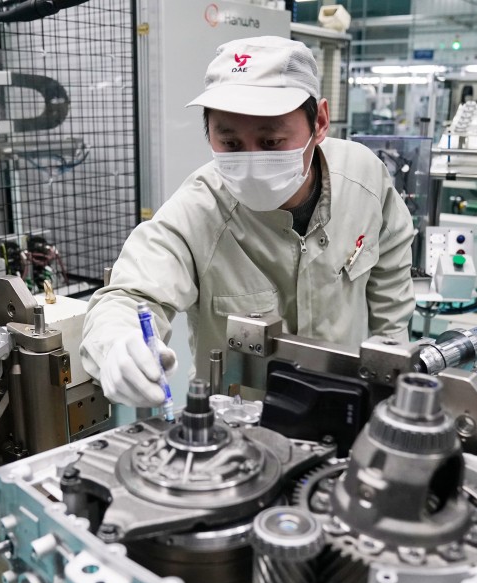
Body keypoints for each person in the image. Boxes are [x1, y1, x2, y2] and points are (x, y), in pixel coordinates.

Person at [79, 36, 415, 407]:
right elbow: (129, 296)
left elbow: (392, 263)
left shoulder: (364, 178)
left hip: (346, 403)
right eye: (232, 145)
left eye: (271, 142)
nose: (252, 162)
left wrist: (390, 359)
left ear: (319, 122)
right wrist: (117, 347)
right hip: (238, 430)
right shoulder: (198, 212)